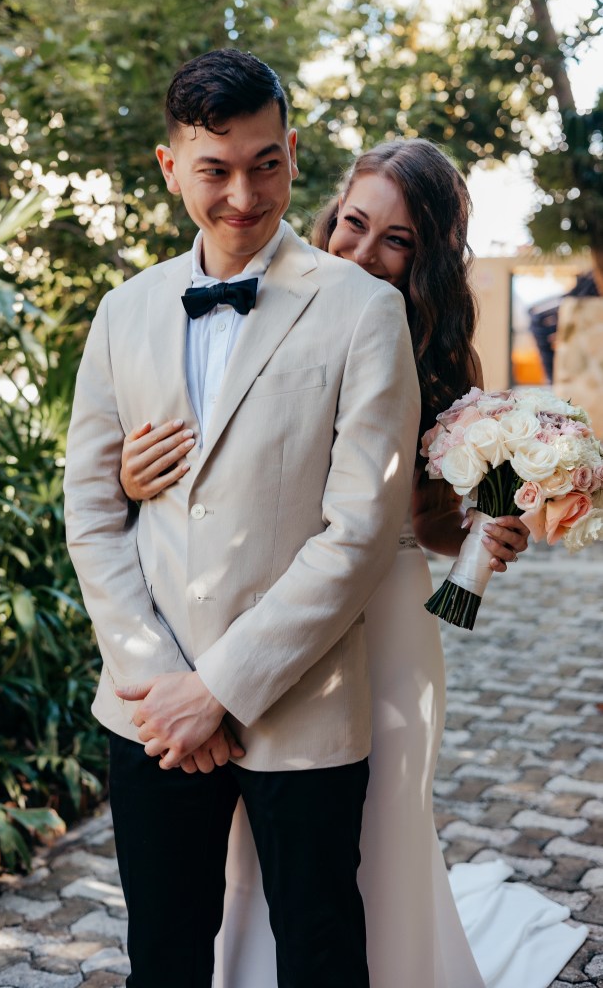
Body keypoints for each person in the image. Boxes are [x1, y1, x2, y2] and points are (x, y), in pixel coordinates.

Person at [120, 140, 587, 988]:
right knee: (257, 834)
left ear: (429, 256)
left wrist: (489, 535)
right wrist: (132, 475)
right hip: (266, 613)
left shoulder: (451, 369)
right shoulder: (275, 304)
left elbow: (441, 528)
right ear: (330, 218)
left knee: (377, 831)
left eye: (396, 240)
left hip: (392, 625)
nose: (363, 254)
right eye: (353, 225)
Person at [64, 49, 420, 988]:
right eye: (214, 169)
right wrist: (162, 685)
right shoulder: (121, 312)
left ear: (293, 153)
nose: (241, 195)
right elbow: (93, 515)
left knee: (320, 953)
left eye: (265, 163)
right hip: (149, 712)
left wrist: (220, 686)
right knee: (166, 956)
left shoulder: (362, 310)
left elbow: (359, 530)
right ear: (169, 165)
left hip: (302, 703)